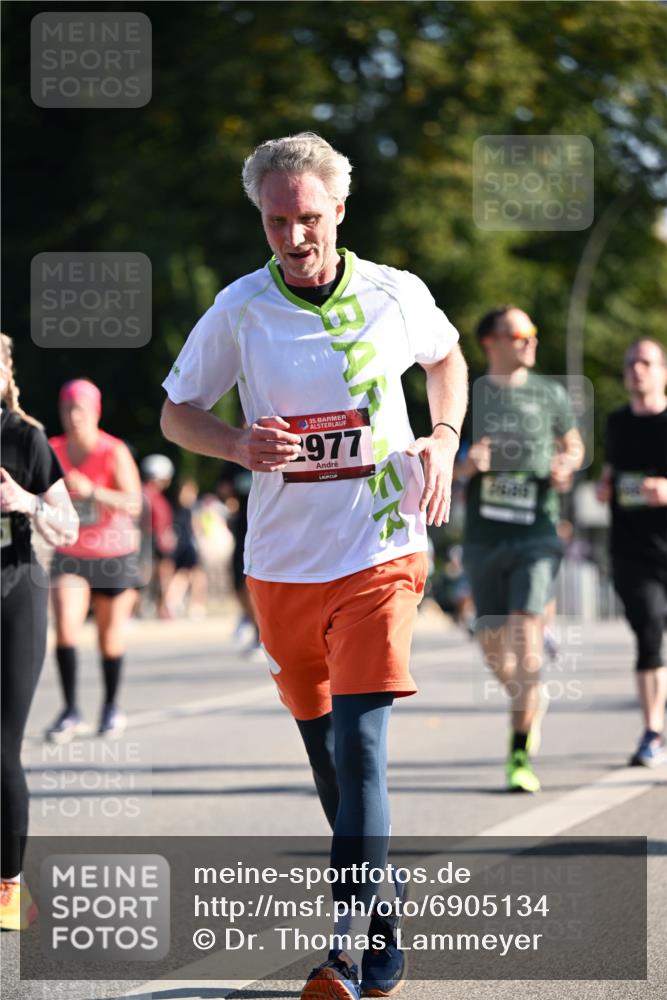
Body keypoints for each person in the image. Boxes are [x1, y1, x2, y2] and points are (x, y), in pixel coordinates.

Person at [161, 132, 468, 1000]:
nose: (293, 237)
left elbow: (446, 358)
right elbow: (177, 412)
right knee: (329, 764)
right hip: (283, 566)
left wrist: (442, 439)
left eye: (307, 219)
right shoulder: (240, 309)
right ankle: (385, 920)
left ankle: (341, 949)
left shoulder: (393, 294)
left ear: (338, 210)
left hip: (380, 550)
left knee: (361, 749)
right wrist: (236, 442)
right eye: (275, 221)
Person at [455, 307, 584, 793]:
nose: (530, 341)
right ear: (491, 342)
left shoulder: (549, 393)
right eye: (519, 334)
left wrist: (565, 466)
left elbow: (573, 446)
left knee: (528, 636)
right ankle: (528, 699)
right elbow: (442, 462)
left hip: (537, 533)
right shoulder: (467, 395)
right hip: (486, 539)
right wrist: (469, 463)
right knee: (493, 648)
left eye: (533, 333)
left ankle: (518, 752)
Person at [0, 334, 79, 929]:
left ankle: (8, 887)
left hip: (14, 597)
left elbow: (70, 529)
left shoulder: (25, 438)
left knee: (2, 747)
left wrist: (25, 500)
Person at [46, 379, 142, 741]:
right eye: (67, 409)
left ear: (95, 412)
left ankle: (110, 707)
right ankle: (70, 710)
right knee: (66, 629)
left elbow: (134, 503)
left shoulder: (113, 451)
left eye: (80, 409)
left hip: (112, 554)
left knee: (109, 638)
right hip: (71, 553)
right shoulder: (53, 449)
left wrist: (92, 492)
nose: (73, 417)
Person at [596, 338, 667, 766]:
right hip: (631, 550)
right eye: (630, 363)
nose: (636, 370)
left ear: (663, 371)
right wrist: (606, 486)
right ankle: (652, 731)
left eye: (645, 362)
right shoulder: (617, 422)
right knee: (650, 629)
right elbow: (613, 470)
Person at [164, 476, 207, 618]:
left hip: (187, 545)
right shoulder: (181, 510)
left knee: (189, 574)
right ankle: (173, 602)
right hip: (185, 546)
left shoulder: (186, 510)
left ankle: (178, 602)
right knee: (186, 574)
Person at [140, 453, 177, 619]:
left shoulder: (145, 492)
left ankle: (156, 607)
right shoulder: (151, 495)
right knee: (161, 574)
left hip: (149, 539)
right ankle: (161, 608)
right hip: (152, 540)